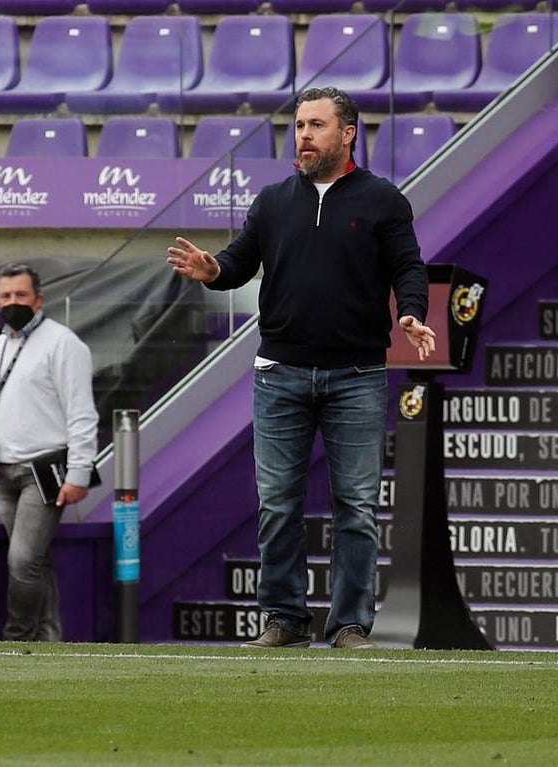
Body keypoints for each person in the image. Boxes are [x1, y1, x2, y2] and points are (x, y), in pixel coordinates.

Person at [166, 87, 437, 650]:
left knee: (356, 507)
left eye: (316, 125)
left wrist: (411, 314)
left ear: (347, 133)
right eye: (299, 125)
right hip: (280, 373)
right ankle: (285, 620)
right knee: (277, 504)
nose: (304, 135)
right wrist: (212, 267)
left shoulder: (384, 200)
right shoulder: (272, 200)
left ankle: (349, 625)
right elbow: (237, 265)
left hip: (357, 375)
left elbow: (409, 268)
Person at [0, 263, 99, 642]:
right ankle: (48, 640)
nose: (13, 302)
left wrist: (78, 472)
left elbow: (81, 412)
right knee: (33, 561)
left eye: (21, 295)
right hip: (2, 472)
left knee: (22, 560)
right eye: (6, 296)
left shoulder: (64, 344)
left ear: (39, 299)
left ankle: (18, 637)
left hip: (42, 471)